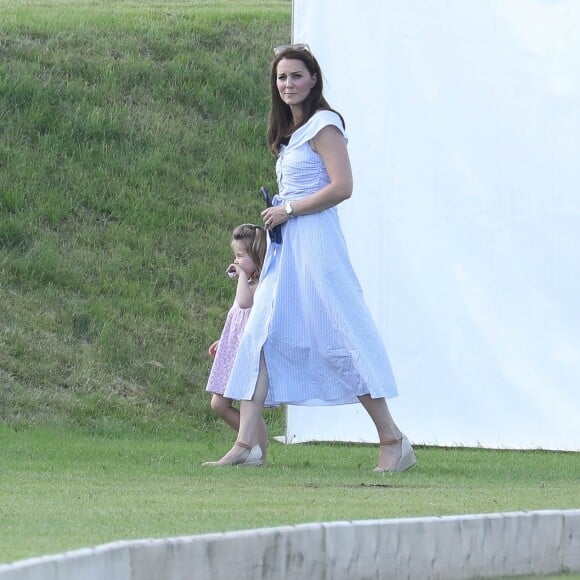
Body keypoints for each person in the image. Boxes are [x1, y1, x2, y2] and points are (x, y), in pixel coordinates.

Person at [204, 44, 416, 473]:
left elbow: (343, 186)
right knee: (258, 335)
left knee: (340, 336)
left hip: (316, 243)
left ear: (313, 79)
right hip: (287, 246)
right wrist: (281, 213)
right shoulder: (292, 133)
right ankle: (248, 445)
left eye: (296, 76)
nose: (288, 85)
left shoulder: (323, 125)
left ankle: (392, 440)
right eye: (282, 78)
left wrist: (290, 209)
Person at [203, 223, 268, 466]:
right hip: (235, 346)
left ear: (257, 257)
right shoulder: (248, 280)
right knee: (218, 403)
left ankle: (258, 448)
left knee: (243, 399)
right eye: (236, 255)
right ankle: (256, 443)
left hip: (248, 351)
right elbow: (237, 318)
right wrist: (225, 341)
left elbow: (244, 304)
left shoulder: (259, 284)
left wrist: (241, 275)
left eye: (241, 256)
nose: (236, 260)